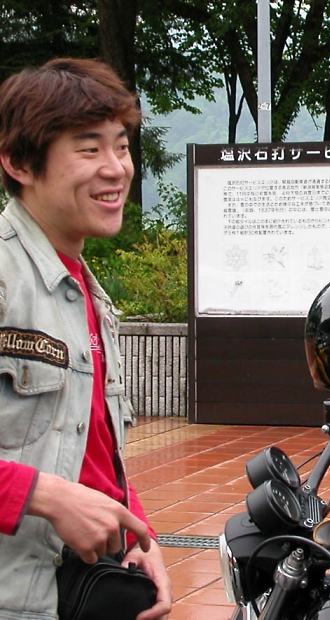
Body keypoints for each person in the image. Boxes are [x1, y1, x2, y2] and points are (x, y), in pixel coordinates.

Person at [0, 58, 172, 618]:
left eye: (121, 147)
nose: (116, 168)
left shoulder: (87, 293)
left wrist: (138, 530)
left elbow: (92, 446)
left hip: (78, 587)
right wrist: (43, 495)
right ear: (18, 162)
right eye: (89, 148)